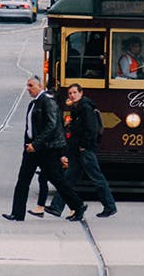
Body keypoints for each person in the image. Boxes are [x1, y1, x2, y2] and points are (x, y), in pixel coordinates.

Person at [2, 77, 87, 222]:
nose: (28, 88)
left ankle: (78, 206)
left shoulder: (48, 102)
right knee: (23, 180)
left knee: (57, 179)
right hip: (32, 148)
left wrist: (36, 144)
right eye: (27, 85)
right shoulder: (33, 104)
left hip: (46, 149)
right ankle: (17, 213)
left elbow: (52, 126)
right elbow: (30, 127)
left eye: (31, 85)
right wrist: (29, 144)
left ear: (40, 86)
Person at [41, 84, 117, 218]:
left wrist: (84, 145)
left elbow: (91, 129)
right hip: (77, 150)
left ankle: (110, 206)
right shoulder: (77, 108)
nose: (72, 95)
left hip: (85, 150)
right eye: (70, 93)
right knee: (68, 179)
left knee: (96, 178)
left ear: (81, 93)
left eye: (75, 92)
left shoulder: (85, 108)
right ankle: (56, 207)